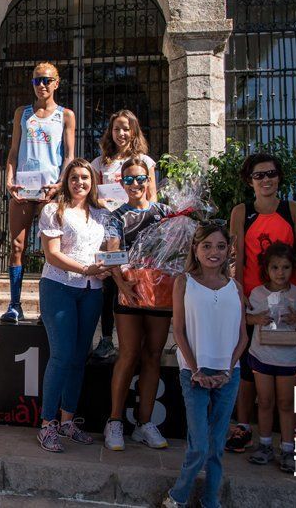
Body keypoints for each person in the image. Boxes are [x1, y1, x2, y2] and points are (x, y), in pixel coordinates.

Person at [226, 153, 296, 454]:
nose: (266, 180)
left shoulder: (293, 210)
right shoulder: (241, 211)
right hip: (254, 301)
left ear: (279, 177)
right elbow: (236, 259)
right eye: (259, 175)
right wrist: (240, 296)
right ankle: (245, 427)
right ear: (250, 181)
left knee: (291, 368)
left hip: (290, 302)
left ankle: (291, 434)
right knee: (247, 368)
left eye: (271, 173)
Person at [163, 223, 247, 508]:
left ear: (228, 250)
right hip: (193, 374)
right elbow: (180, 330)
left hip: (227, 376)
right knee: (199, 445)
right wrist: (196, 369)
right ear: (195, 250)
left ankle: (211, 500)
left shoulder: (235, 287)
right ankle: (177, 496)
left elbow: (243, 335)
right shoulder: (184, 282)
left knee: (217, 447)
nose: (214, 252)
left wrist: (228, 370)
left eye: (221, 246)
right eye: (207, 246)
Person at [34, 159, 112, 452]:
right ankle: (47, 425)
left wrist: (106, 268)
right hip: (59, 287)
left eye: (85, 177)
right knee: (62, 355)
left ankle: (68, 421)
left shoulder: (102, 214)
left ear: (93, 181)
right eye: (75, 177)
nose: (80, 182)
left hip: (91, 291)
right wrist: (84, 269)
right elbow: (52, 255)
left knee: (80, 357)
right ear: (66, 181)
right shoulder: (54, 210)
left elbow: (107, 252)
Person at [103, 157, 173, 451]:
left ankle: (144, 424)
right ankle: (115, 421)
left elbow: (178, 253)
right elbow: (112, 255)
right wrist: (122, 286)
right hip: (129, 293)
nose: (135, 185)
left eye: (140, 178)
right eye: (128, 179)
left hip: (161, 296)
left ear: (149, 180)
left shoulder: (166, 213)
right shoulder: (115, 216)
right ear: (121, 182)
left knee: (153, 355)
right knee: (128, 354)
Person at [3, 62, 76, 323]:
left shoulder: (65, 115)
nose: (41, 85)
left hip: (51, 192)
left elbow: (69, 156)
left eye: (46, 80)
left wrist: (59, 185)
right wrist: (9, 180)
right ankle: (14, 304)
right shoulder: (22, 113)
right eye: (36, 81)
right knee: (16, 246)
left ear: (56, 83)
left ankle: (49, 308)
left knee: (52, 249)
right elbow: (13, 151)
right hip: (23, 190)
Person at [90, 110, 158, 361]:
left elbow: (152, 196)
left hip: (138, 229)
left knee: (139, 279)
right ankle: (106, 339)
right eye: (116, 129)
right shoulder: (101, 162)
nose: (121, 134)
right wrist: (103, 200)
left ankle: (140, 340)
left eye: (126, 129)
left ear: (134, 131)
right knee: (109, 283)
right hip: (110, 230)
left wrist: (153, 229)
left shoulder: (145, 161)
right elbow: (92, 196)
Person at [244, 242, 296, 473]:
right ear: (266, 269)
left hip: (289, 358)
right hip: (262, 355)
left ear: (293, 269)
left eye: (286, 267)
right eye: (275, 268)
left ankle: (288, 448)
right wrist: (255, 320)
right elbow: (247, 318)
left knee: (286, 403)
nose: (280, 273)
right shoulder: (257, 293)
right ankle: (265, 444)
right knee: (266, 401)